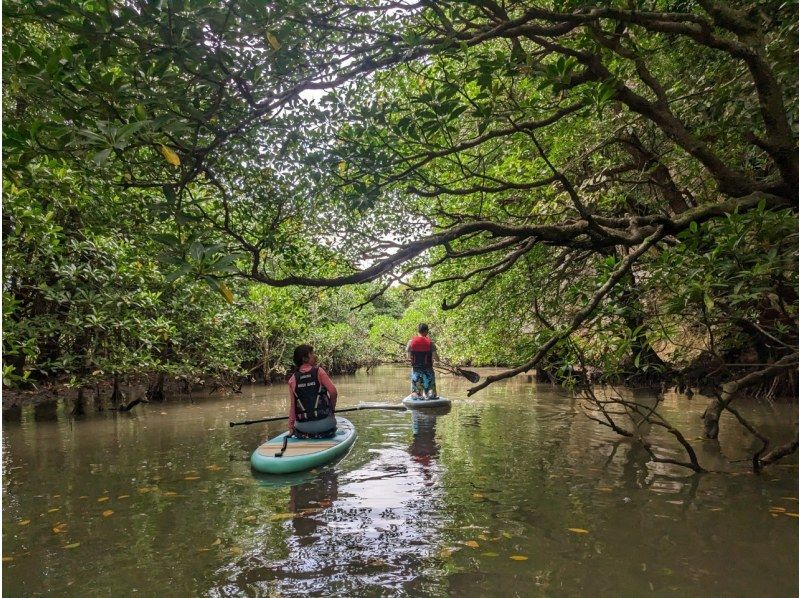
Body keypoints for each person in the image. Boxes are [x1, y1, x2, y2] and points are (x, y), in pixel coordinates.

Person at [288, 344, 338, 438]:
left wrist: (291, 426)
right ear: (305, 358)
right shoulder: (319, 371)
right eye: (312, 353)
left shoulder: (292, 379)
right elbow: (333, 392)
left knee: (299, 428)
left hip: (303, 428)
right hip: (325, 425)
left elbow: (293, 406)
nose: (315, 356)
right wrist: (332, 409)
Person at [406, 323, 438, 399]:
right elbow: (436, 358)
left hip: (416, 370)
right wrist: (437, 359)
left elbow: (408, 357)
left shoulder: (410, 342)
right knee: (431, 394)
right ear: (426, 331)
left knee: (416, 395)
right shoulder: (431, 343)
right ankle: (431, 395)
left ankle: (417, 396)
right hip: (428, 370)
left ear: (418, 331)